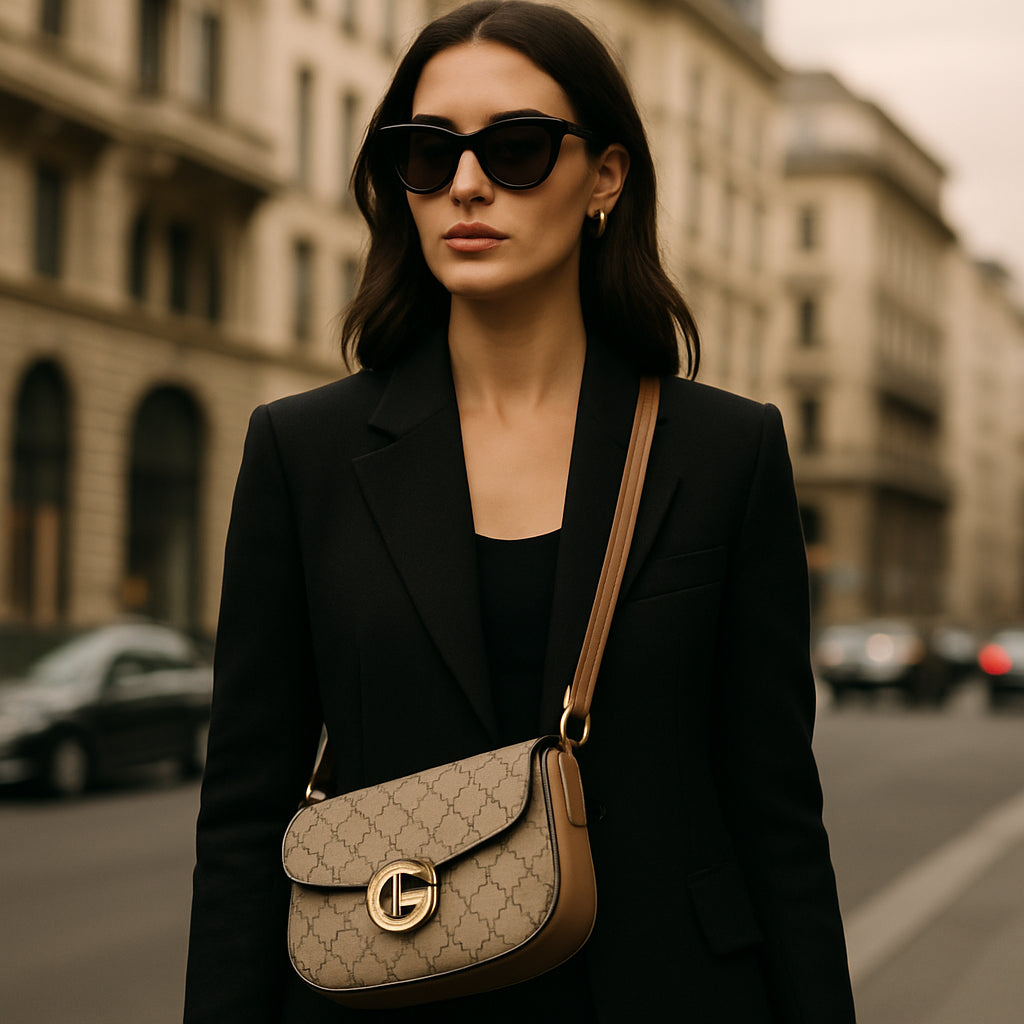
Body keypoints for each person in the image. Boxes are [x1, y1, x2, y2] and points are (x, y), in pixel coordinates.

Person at [184, 2, 856, 1022]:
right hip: (387, 989)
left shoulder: (726, 452)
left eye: (517, 147)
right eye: (425, 153)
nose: (466, 183)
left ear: (605, 178)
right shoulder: (302, 451)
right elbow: (241, 816)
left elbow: (775, 815)